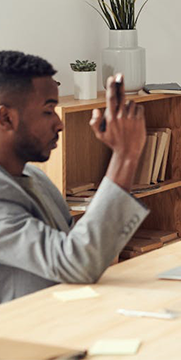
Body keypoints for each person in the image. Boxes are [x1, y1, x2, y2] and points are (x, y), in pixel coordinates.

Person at [0, 51, 149, 304]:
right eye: (48, 111)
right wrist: (125, 156)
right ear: (6, 118)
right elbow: (77, 261)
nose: (60, 124)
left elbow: (81, 251)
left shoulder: (35, 178)